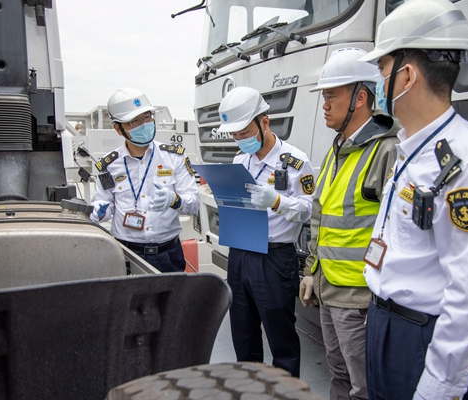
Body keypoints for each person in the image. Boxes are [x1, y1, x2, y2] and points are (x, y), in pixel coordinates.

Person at [357, 1, 468, 399]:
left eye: (382, 69)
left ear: (406, 76)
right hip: (384, 322)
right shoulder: (410, 147)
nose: (378, 80)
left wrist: (439, 388)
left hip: (419, 338)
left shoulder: (467, 158)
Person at [299, 47, 399, 400]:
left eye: (331, 95)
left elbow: (397, 234)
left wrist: (381, 300)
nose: (324, 104)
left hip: (360, 300)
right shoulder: (336, 149)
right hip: (329, 290)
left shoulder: (386, 151)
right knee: (339, 376)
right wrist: (312, 271)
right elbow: (320, 216)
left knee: (365, 387)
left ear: (360, 97)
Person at [217, 86, 314, 378]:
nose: (239, 139)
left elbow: (309, 210)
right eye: (234, 135)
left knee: (281, 338)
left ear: (264, 122)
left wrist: (277, 201)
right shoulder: (239, 161)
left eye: (244, 132)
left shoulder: (296, 161)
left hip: (274, 259)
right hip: (240, 256)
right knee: (243, 336)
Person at [90, 87, 199, 273]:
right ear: (118, 129)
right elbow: (105, 207)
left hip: (169, 254)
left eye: (147, 117)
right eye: (134, 121)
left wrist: (175, 200)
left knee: (170, 302)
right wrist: (98, 212)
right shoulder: (109, 165)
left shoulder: (174, 157)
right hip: (127, 254)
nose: (144, 124)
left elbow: (194, 204)